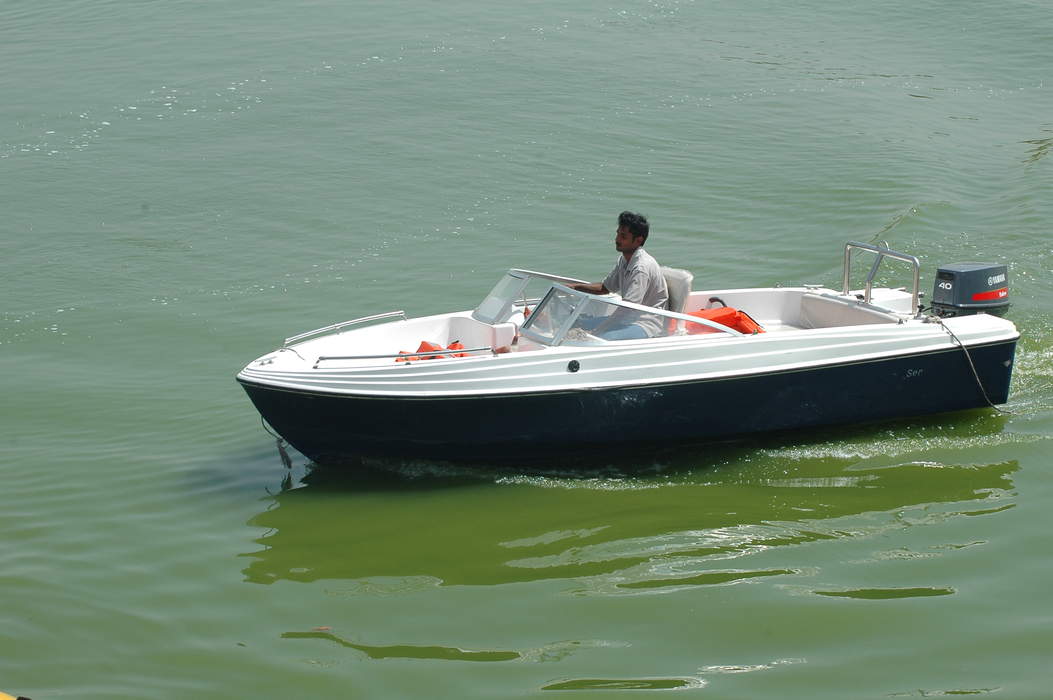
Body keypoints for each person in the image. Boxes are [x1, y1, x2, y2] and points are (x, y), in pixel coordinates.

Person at [570, 211, 668, 340]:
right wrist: (575, 287)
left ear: (638, 240)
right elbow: (604, 288)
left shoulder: (640, 269)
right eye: (617, 234)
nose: (617, 239)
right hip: (628, 319)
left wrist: (598, 330)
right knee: (577, 323)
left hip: (644, 323)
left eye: (623, 236)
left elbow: (628, 309)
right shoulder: (624, 259)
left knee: (600, 338)